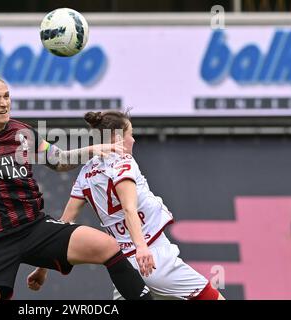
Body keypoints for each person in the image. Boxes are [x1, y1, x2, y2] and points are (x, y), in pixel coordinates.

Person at [0, 54, 154, 300]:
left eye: (6, 96)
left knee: (107, 246)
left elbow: (58, 161)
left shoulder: (22, 132)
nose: (4, 103)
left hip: (33, 228)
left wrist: (91, 150)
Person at [28, 110, 225, 300]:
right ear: (117, 138)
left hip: (125, 265)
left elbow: (64, 224)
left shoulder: (86, 172)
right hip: (152, 255)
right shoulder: (124, 162)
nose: (134, 139)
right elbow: (129, 208)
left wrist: (43, 267)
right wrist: (142, 248)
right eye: (130, 134)